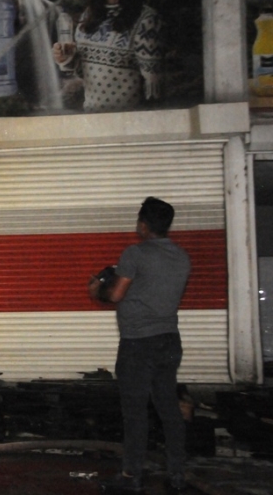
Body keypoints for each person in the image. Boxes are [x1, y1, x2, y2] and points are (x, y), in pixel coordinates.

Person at [88, 197, 190, 494]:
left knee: (135, 413)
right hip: (169, 340)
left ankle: (130, 477)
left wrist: (96, 290)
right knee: (169, 409)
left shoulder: (135, 253)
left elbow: (116, 295)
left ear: (143, 225)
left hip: (138, 344)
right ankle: (177, 474)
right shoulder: (182, 257)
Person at [52, 0, 164, 113]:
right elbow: (83, 72)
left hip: (128, 122)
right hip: (91, 117)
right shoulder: (89, 14)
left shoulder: (146, 19)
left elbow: (153, 88)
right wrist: (66, 58)